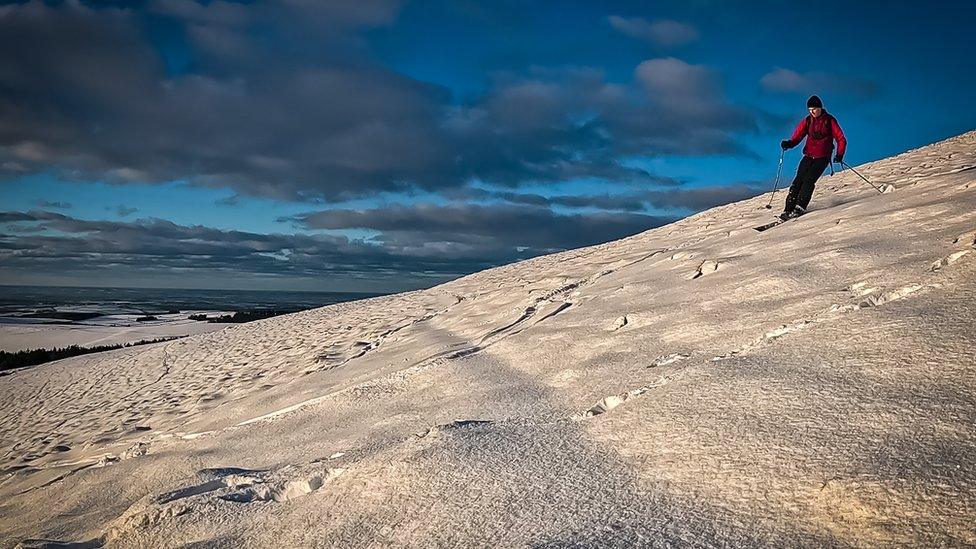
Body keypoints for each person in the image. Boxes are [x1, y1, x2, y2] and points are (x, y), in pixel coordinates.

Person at [779, 95, 847, 220]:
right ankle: (788, 209)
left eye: (814, 109)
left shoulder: (829, 120)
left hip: (822, 157)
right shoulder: (808, 121)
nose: (812, 112)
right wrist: (789, 144)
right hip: (808, 156)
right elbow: (798, 136)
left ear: (820, 108)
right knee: (798, 180)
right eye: (810, 109)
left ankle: (799, 207)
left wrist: (839, 154)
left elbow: (841, 139)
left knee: (809, 180)